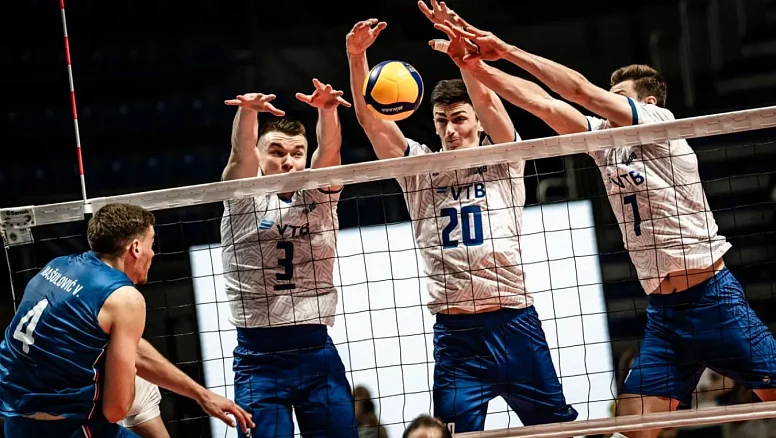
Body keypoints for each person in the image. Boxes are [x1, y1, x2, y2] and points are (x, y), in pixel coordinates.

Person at [434, 15, 776, 438]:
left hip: (714, 301)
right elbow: (543, 104)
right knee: (632, 431)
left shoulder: (659, 124)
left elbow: (579, 91)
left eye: (617, 98)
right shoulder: (604, 141)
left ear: (647, 103)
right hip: (665, 315)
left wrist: (506, 50)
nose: (605, 105)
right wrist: (474, 67)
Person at [344, 4, 577, 432]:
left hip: (513, 321)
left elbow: (488, 102)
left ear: (478, 124)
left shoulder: (503, 157)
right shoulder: (420, 169)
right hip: (456, 337)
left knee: (558, 430)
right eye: (441, 121)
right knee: (450, 434)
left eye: (459, 119)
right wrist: (357, 57)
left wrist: (465, 59)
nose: (451, 129)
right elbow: (371, 123)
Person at [0, 203, 252, 438]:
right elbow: (115, 411)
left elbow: (134, 348)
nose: (153, 253)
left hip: (15, 420)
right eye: (152, 243)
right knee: (137, 384)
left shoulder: (58, 265)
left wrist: (201, 395)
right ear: (136, 248)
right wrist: (128, 374)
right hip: (65, 429)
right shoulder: (124, 298)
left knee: (132, 371)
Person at [220, 79, 356, 438]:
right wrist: (247, 113)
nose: (288, 163)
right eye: (277, 152)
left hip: (316, 353)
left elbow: (329, 152)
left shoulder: (320, 197)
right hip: (258, 360)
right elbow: (240, 154)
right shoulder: (243, 199)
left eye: (297, 153)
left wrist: (327, 111)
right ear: (261, 156)